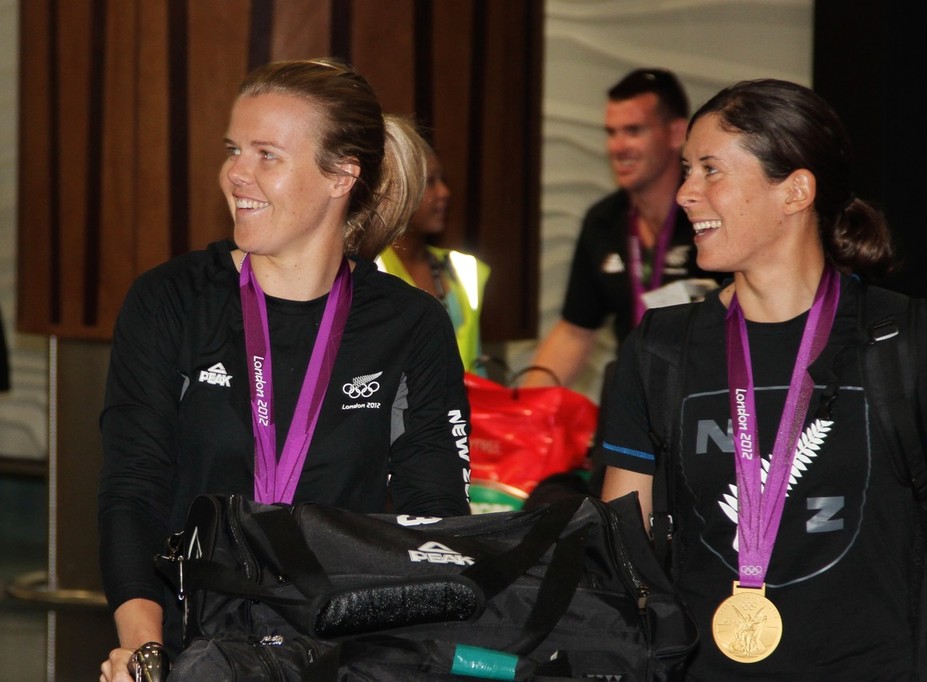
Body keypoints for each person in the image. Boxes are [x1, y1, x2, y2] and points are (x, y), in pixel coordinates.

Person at [600, 78, 927, 679]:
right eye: (688, 170)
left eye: (711, 171)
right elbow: (618, 557)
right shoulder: (661, 348)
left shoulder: (905, 338)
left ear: (795, 190)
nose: (686, 193)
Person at [97, 58, 471, 682]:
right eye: (233, 149)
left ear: (340, 177)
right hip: (189, 648)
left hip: (346, 653)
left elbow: (435, 518)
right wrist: (144, 649)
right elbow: (133, 490)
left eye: (266, 154)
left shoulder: (410, 325)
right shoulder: (172, 300)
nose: (234, 174)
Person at [524, 68, 718, 388]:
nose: (618, 146)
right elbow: (575, 332)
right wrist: (519, 417)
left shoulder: (709, 214)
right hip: (633, 403)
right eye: (611, 132)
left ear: (675, 133)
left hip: (708, 398)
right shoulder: (603, 220)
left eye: (633, 130)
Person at [376, 137, 491, 372]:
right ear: (396, 190)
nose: (444, 192)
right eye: (430, 182)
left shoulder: (462, 267)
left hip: (467, 405)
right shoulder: (370, 267)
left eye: (443, 181)